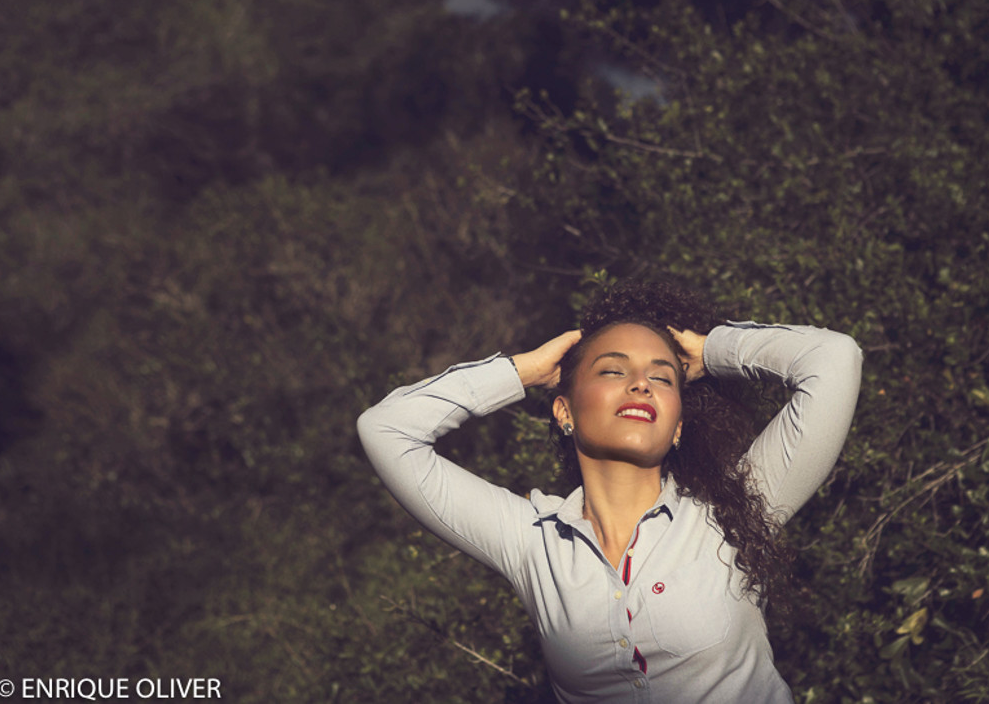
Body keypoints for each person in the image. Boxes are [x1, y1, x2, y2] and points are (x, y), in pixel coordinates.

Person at [357, 280, 862, 702]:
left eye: (663, 378)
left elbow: (835, 359)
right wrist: (523, 371)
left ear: (679, 425)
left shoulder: (730, 508)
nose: (641, 384)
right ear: (565, 412)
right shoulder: (534, 542)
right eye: (613, 370)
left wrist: (710, 350)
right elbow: (387, 430)